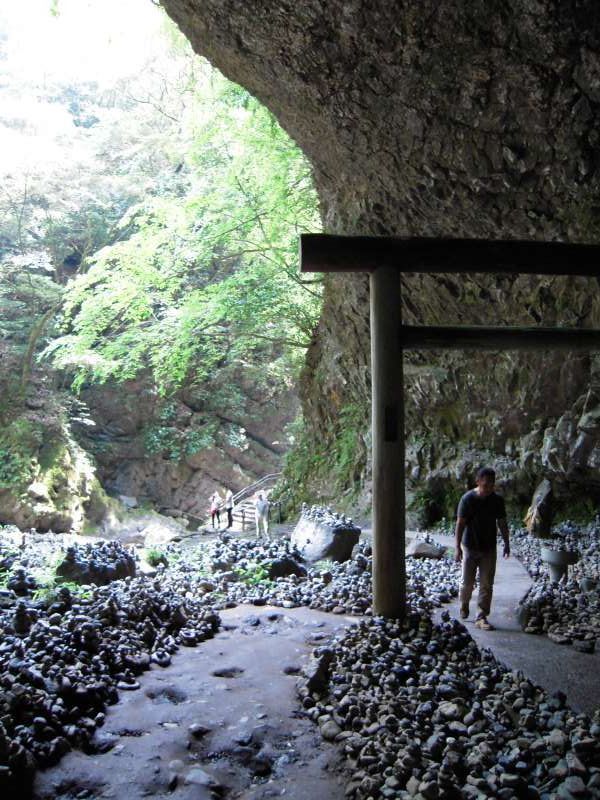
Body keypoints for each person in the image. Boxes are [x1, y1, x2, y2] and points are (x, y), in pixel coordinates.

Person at [454, 466, 510, 631]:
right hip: (470, 546)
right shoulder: (467, 499)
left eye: (491, 485)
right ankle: (464, 604)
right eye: (485, 485)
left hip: (489, 548)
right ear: (478, 482)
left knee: (486, 584)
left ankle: (481, 615)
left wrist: (507, 543)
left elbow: (502, 523)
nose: (488, 489)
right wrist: (457, 548)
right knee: (467, 583)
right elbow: (460, 524)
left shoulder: (497, 500)